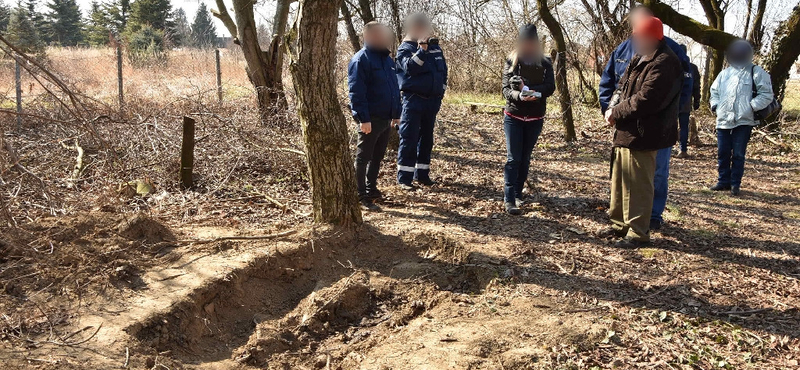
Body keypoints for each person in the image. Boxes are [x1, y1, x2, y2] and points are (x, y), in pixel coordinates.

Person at [599, 5, 692, 231]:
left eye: (640, 36)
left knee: (640, 183)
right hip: (626, 130)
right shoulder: (638, 57)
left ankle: (639, 230)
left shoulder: (665, 61)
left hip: (648, 132)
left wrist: (617, 112)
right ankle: (619, 223)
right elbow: (620, 86)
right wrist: (611, 108)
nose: (636, 41)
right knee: (622, 180)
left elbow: (647, 99)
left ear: (652, 36)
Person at [500, 24, 555, 215]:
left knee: (524, 158)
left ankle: (517, 193)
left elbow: (550, 87)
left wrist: (534, 92)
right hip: (513, 116)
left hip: (535, 117)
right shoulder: (512, 61)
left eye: (531, 42)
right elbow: (506, 89)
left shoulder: (545, 62)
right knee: (513, 158)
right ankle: (509, 199)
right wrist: (520, 95)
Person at [347, 22, 402, 211]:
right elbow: (356, 92)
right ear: (369, 36)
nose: (384, 37)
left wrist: (396, 114)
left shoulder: (387, 59)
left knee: (377, 156)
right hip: (370, 119)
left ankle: (371, 189)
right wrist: (363, 118)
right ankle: (360, 195)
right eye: (380, 34)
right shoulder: (360, 60)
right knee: (363, 158)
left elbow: (394, 89)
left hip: (386, 118)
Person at [709, 39, 774, 196]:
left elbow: (767, 94)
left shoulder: (756, 72)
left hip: (744, 120)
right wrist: (716, 106)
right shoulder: (724, 74)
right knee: (723, 152)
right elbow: (714, 92)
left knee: (738, 154)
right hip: (723, 120)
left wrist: (751, 106)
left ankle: (735, 184)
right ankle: (723, 181)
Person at [395, 13, 448, 191]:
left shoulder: (435, 47)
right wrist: (421, 50)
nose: (423, 30)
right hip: (413, 100)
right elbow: (410, 68)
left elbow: (443, 72)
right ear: (411, 28)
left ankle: (422, 175)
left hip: (432, 101)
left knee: (427, 139)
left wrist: (441, 91)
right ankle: (404, 178)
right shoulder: (404, 49)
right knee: (409, 138)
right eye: (418, 27)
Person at [676, 44, 702, 158]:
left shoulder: (691, 68)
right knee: (683, 126)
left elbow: (696, 85)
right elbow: (696, 86)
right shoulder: (691, 68)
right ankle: (681, 149)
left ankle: (681, 149)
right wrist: (697, 99)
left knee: (680, 126)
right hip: (682, 101)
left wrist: (697, 100)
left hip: (678, 102)